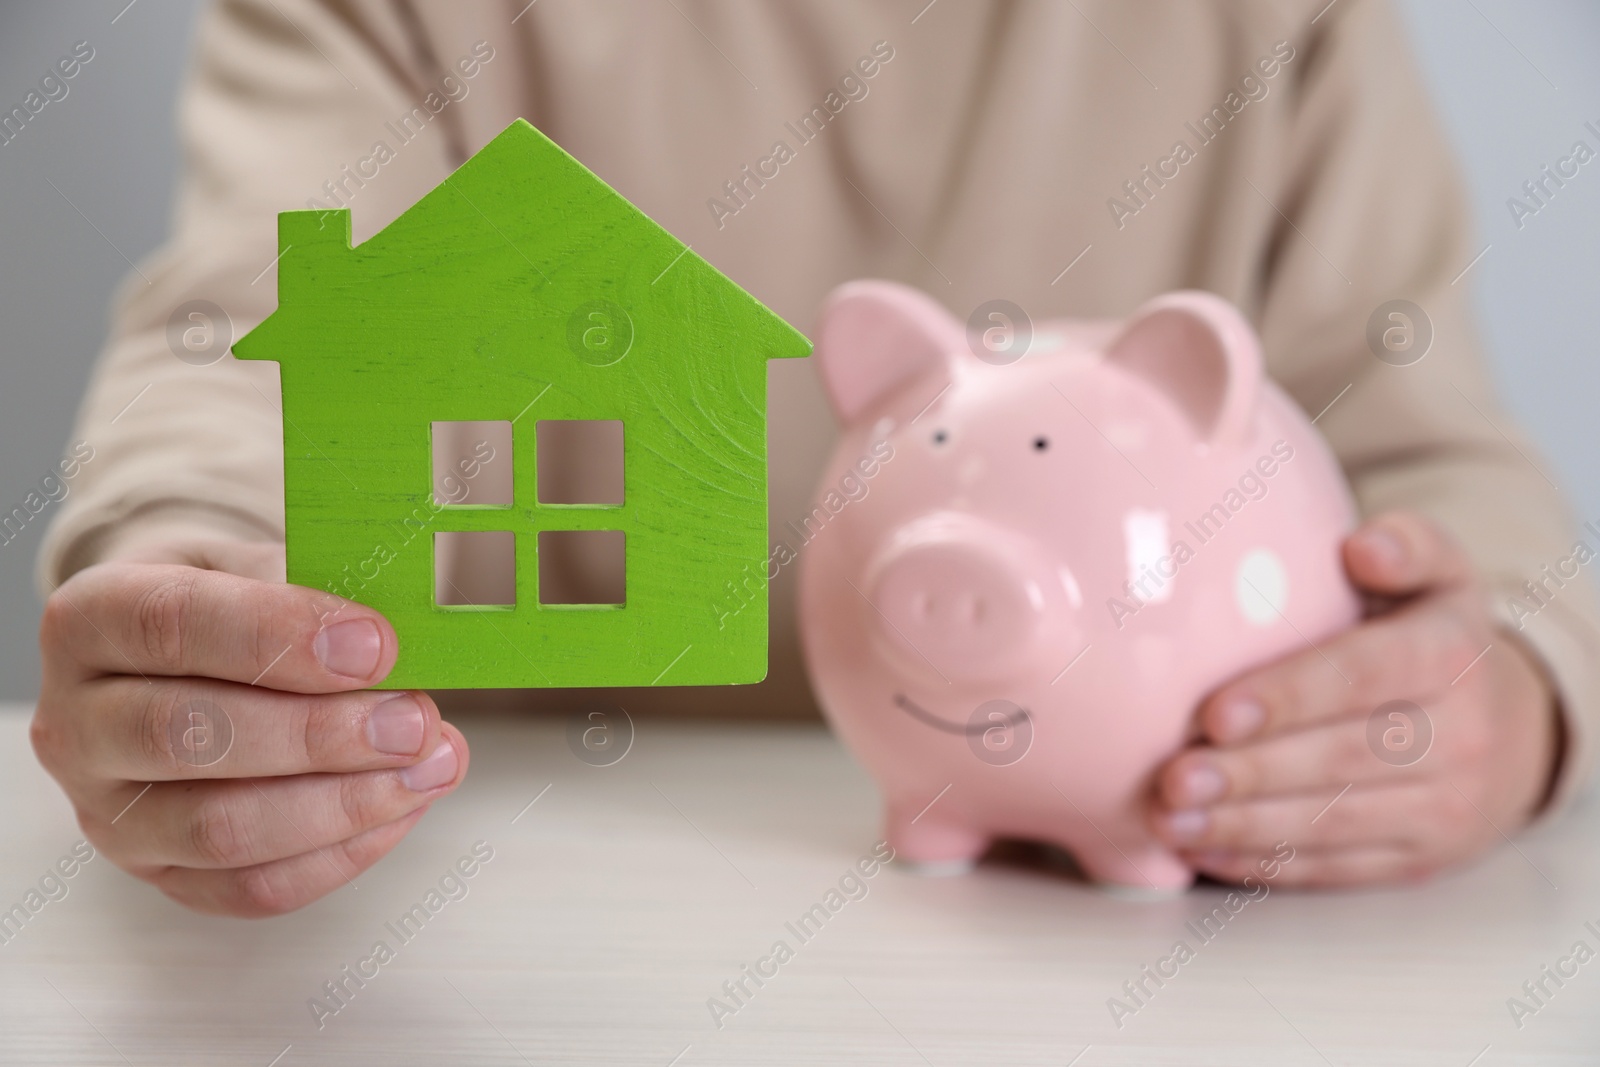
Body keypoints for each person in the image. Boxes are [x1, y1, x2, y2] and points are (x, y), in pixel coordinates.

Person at [32, 0, 1598, 915]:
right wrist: (195, 591)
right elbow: (247, 347)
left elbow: (1435, 460)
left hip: (1144, 925)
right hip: (514, 878)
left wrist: (1509, 690)